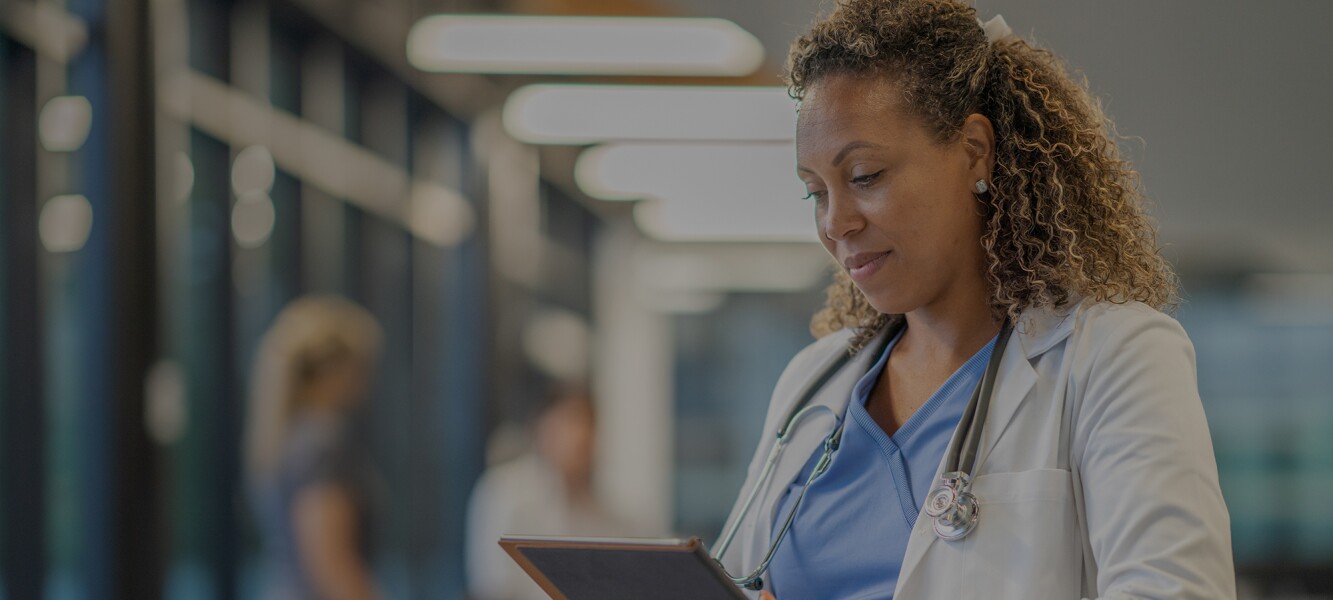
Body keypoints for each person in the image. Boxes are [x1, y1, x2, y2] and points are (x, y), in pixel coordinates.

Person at [713, 1, 1235, 598]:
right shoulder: (811, 384)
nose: (836, 223)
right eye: (814, 193)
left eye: (864, 177)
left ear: (974, 151)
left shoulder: (1115, 359)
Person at [245, 296, 388, 600]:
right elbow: (332, 565)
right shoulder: (323, 444)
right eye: (362, 367)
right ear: (336, 370)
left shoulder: (285, 438)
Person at [466, 384, 629, 600]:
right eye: (571, 422)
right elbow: (494, 586)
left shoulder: (602, 512)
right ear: (543, 426)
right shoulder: (505, 493)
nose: (582, 436)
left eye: (589, 425)